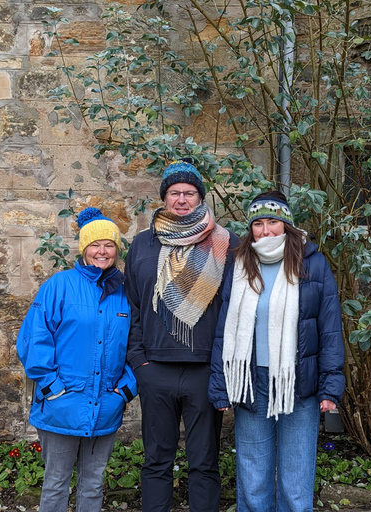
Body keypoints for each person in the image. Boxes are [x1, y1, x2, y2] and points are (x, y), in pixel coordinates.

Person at [209, 190, 345, 512]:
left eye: (273, 222)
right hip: (251, 383)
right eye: (258, 223)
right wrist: (220, 386)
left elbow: (329, 328)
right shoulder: (240, 263)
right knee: (253, 478)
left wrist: (331, 385)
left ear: (287, 224)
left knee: (295, 483)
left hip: (300, 384)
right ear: (250, 227)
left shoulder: (313, 264)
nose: (265, 231)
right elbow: (224, 328)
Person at [125, 159, 240, 512]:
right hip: (155, 367)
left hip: (204, 369)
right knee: (156, 460)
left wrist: (222, 365)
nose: (182, 199)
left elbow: (235, 308)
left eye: (189, 193)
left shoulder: (225, 243)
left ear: (200, 197)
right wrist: (139, 361)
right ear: (163, 198)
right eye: (174, 192)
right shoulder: (143, 244)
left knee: (204, 462)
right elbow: (132, 306)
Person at [16, 207, 137, 512]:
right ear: (84, 249)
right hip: (62, 404)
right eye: (95, 245)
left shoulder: (126, 293)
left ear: (117, 250)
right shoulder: (60, 286)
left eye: (108, 245)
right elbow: (34, 338)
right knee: (56, 482)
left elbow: (139, 345)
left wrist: (124, 391)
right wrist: (52, 387)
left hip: (106, 407)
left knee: (93, 482)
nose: (102, 251)